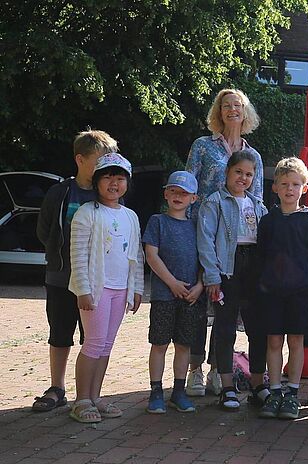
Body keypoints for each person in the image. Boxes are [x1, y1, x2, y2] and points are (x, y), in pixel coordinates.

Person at [185, 88, 264, 396]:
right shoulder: (204, 146)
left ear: (245, 113)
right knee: (198, 303)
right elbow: (189, 183)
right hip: (203, 233)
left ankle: (220, 369)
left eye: (238, 105)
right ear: (218, 112)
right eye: (226, 105)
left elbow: (255, 200)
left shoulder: (252, 155)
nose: (232, 109)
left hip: (234, 244)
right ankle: (194, 368)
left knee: (226, 306)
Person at [34, 130, 118, 413]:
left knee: (93, 338)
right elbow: (45, 231)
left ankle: (91, 393)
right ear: (80, 159)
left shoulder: (107, 193)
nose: (106, 167)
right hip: (61, 277)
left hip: (97, 282)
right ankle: (57, 387)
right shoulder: (60, 193)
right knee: (60, 333)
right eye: (100, 160)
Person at [68, 153, 144, 423]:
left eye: (120, 177)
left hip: (120, 290)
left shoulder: (131, 216)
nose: (114, 183)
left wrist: (136, 288)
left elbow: (135, 254)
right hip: (96, 291)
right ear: (97, 181)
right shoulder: (86, 213)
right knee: (93, 343)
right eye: (108, 176)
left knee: (107, 345)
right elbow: (77, 255)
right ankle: (81, 400)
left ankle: (96, 396)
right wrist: (83, 290)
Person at [197, 150, 268, 411]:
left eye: (249, 174)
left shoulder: (258, 205)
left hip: (254, 269)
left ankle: (258, 384)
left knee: (256, 328)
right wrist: (212, 276)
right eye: (238, 172)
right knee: (225, 328)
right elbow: (205, 241)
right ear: (227, 172)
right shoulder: (214, 203)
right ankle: (226, 386)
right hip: (227, 269)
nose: (243, 177)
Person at [257, 157, 308, 420]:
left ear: (304, 188)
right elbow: (260, 255)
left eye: (296, 184)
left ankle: (292, 394)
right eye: (284, 184)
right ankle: (274, 391)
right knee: (273, 341)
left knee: (296, 341)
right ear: (275, 187)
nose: (289, 189)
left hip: (298, 293)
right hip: (272, 292)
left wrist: (304, 284)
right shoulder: (268, 221)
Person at [143, 171, 203, 414]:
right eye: (174, 191)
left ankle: (179, 391)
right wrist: (171, 283)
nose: (179, 196)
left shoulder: (197, 225)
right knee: (159, 343)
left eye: (184, 193)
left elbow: (204, 259)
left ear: (194, 198)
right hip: (163, 295)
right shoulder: (157, 221)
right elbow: (151, 255)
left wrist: (200, 285)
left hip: (191, 296)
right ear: (166, 193)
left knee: (183, 344)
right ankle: (156, 391)